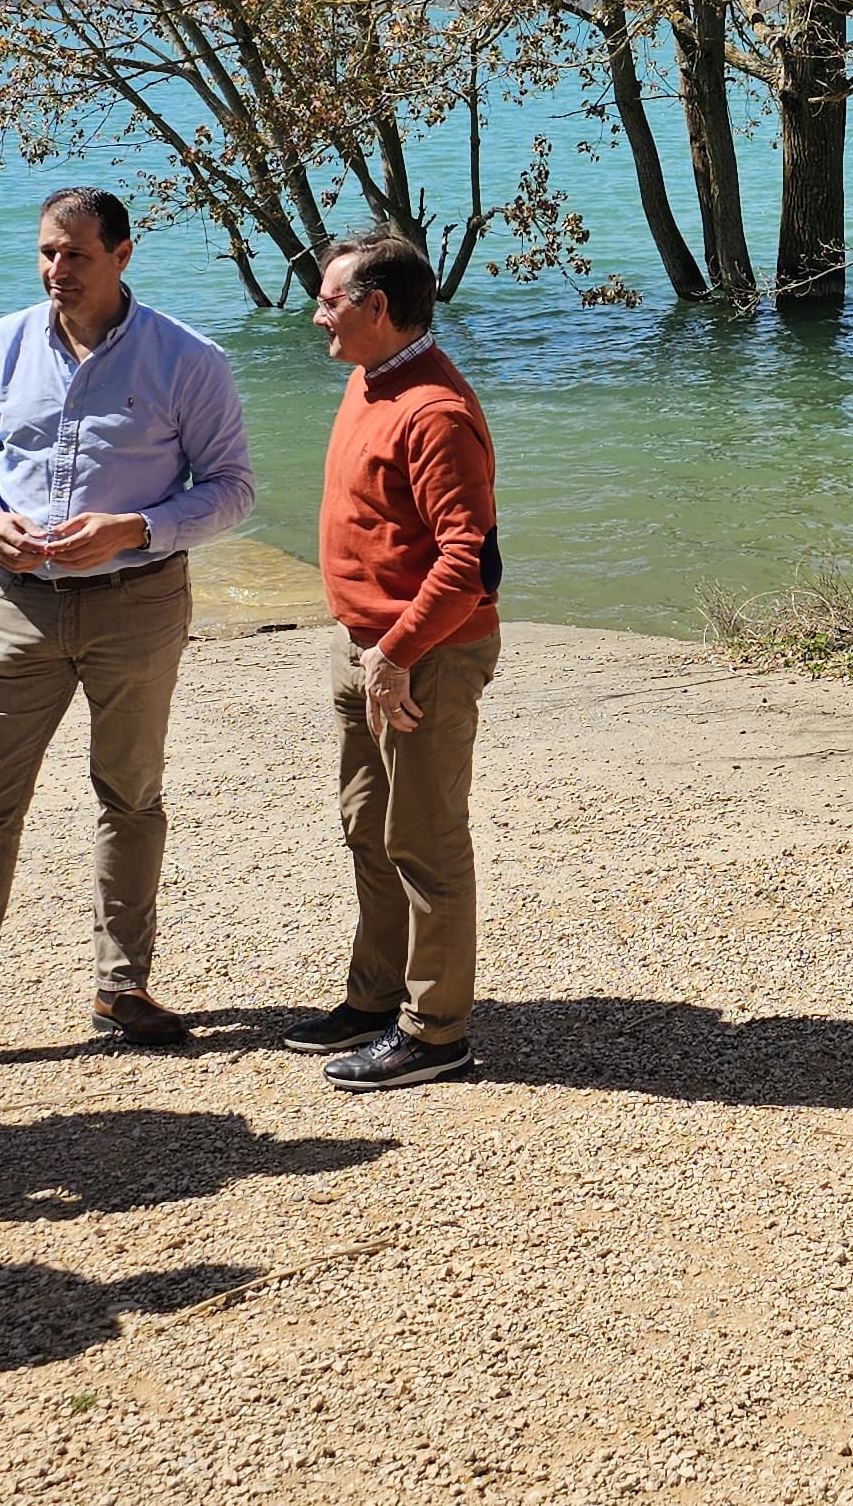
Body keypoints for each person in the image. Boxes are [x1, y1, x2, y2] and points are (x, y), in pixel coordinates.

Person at [0, 188, 255, 1081]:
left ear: (122, 255)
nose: (56, 271)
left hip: (138, 602)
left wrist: (135, 529)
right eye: (45, 254)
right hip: (18, 604)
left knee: (130, 796)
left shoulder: (190, 359)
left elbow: (231, 489)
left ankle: (122, 987)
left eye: (74, 255)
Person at [282, 227, 502, 1093]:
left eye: (330, 301)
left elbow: (466, 562)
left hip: (425, 657)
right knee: (368, 829)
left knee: (425, 840)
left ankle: (435, 1030)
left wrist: (396, 655)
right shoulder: (369, 379)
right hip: (370, 648)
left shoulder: (435, 412)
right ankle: (375, 999)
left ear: (378, 307)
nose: (315, 316)